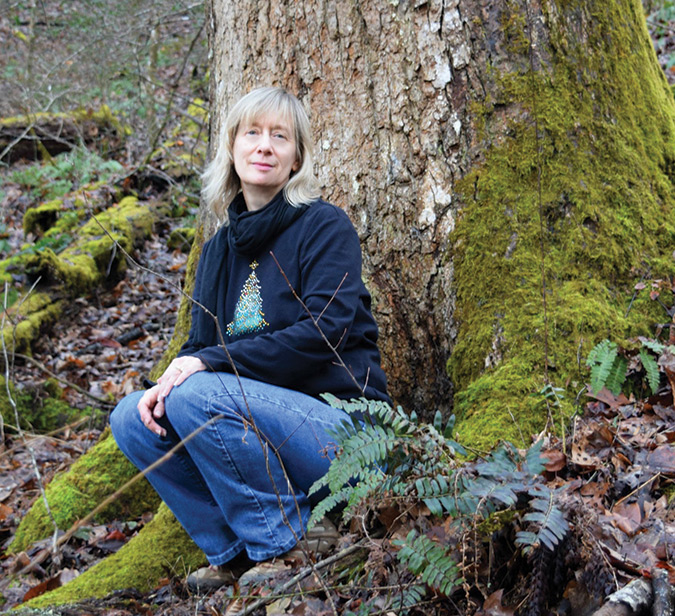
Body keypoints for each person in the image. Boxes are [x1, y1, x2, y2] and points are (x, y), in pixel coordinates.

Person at [110, 86, 389, 593]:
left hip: (344, 434)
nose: (264, 146)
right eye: (252, 133)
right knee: (131, 417)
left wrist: (206, 364)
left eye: (279, 136)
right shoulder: (218, 249)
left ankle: (291, 544)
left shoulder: (324, 226)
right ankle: (234, 553)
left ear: (296, 156)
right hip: (252, 425)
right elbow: (199, 347)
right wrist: (163, 386)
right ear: (232, 148)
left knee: (198, 390)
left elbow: (326, 332)